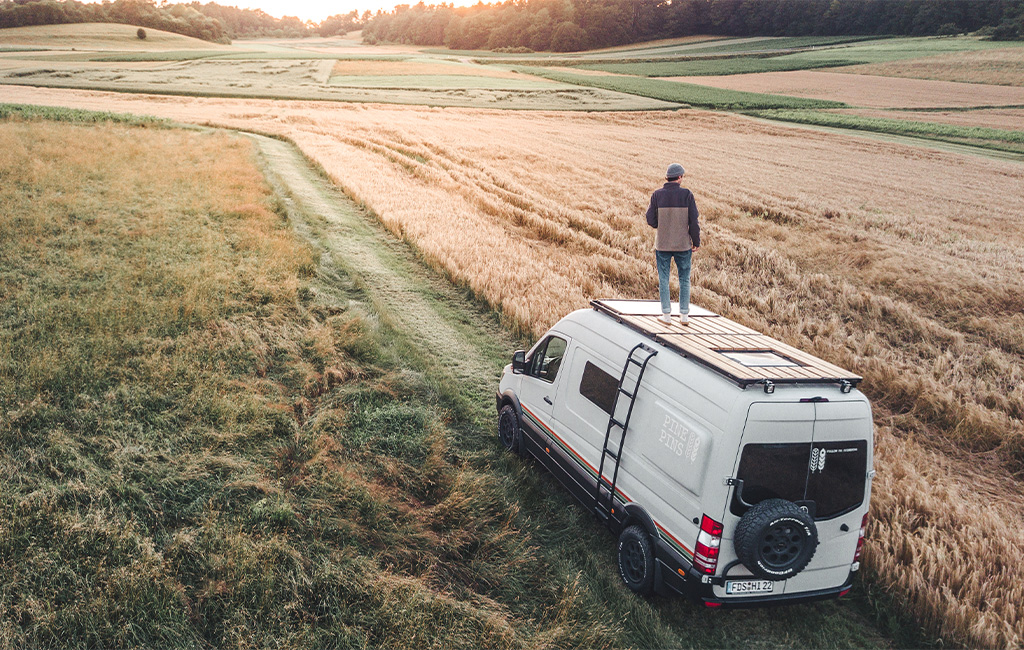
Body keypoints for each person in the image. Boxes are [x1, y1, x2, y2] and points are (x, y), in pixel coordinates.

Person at [645, 163, 700, 325]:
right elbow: (694, 221)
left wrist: (660, 226)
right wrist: (695, 241)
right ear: (680, 177)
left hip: (662, 244)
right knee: (684, 279)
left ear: (667, 177)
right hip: (683, 245)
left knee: (664, 279)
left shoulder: (657, 195)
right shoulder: (687, 195)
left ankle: (666, 315)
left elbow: (650, 219)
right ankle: (684, 316)